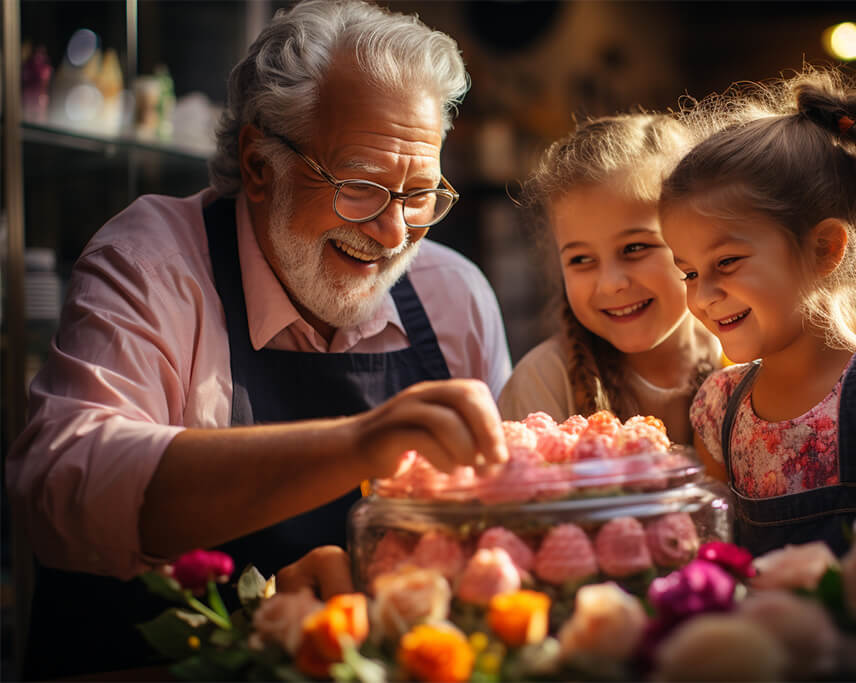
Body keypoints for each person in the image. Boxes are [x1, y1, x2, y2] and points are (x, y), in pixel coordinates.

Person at [6, 0, 511, 677]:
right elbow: (63, 487)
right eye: (360, 185)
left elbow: (507, 517)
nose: (394, 234)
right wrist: (359, 443)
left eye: (418, 193)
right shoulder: (156, 261)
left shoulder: (456, 295)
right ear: (258, 163)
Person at [658, 66, 856, 558]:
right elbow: (714, 561)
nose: (703, 295)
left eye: (726, 262)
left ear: (824, 248)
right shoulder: (718, 409)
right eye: (689, 273)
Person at [497, 113, 722, 446]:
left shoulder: (743, 356)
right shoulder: (542, 382)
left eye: (634, 248)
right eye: (581, 259)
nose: (610, 284)